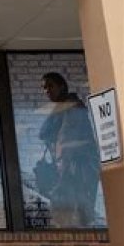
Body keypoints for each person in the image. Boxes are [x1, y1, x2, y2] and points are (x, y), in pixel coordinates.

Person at [38, 72, 100, 227]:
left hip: (78, 165)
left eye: (50, 86)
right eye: (44, 87)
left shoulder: (72, 107)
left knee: (76, 208)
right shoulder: (60, 109)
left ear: (61, 86)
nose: (47, 90)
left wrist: (63, 165)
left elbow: (68, 138)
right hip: (69, 164)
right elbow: (45, 133)